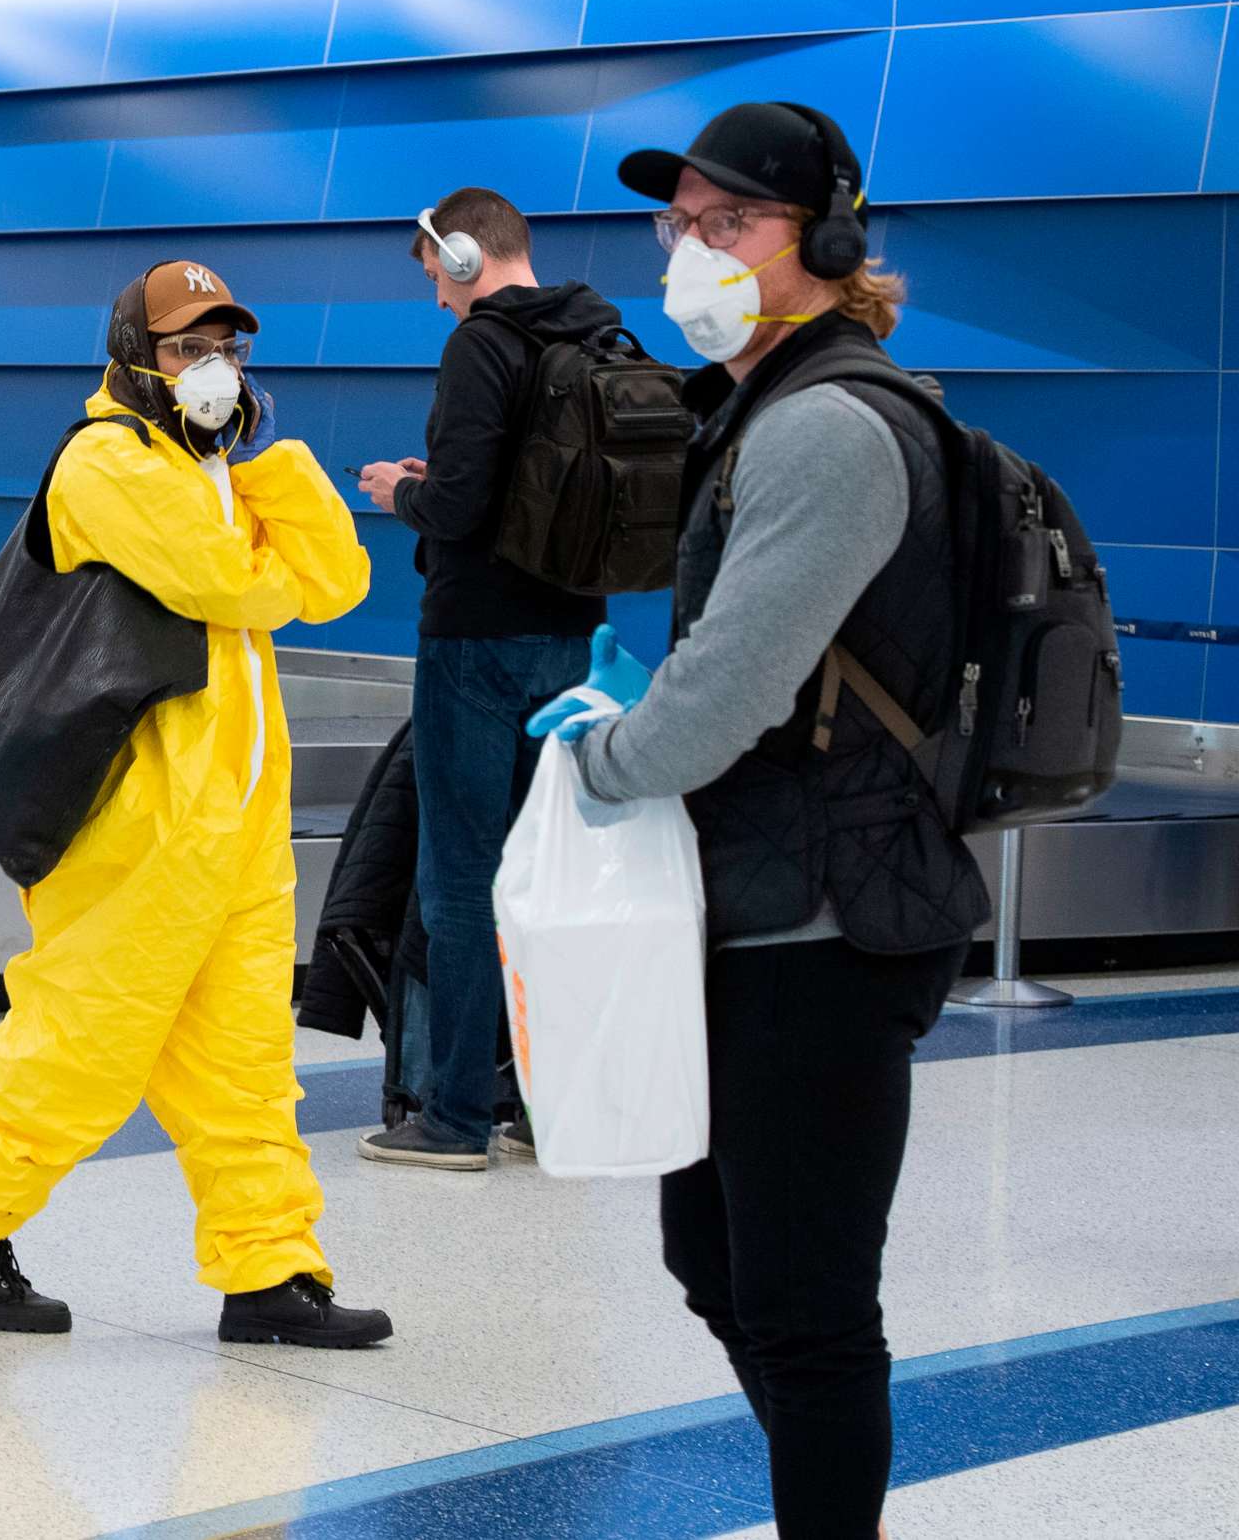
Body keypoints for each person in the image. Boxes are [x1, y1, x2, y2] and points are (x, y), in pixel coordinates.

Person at [530, 102, 987, 1540]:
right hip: (757, 902)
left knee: (803, 1303)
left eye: (730, 224)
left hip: (828, 920)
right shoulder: (765, 408)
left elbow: (733, 689)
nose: (692, 249)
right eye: (681, 225)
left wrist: (608, 758)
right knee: (718, 1265)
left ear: (827, 241)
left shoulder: (832, 427)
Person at [0, 259, 393, 1350]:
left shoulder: (209, 468)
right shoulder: (106, 463)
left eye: (230, 349)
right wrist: (260, 520)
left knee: (248, 1065)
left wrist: (269, 474)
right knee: (81, 1040)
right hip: (137, 825)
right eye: (187, 348)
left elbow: (338, 584)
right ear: (134, 357)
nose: (213, 369)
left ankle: (270, 1272)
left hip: (239, 824)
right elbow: (241, 585)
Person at [354, 188, 616, 1171]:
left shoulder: (481, 345)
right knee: (550, 869)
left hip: (476, 639)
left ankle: (456, 1115)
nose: (436, 299)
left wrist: (400, 490)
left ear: (461, 254)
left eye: (433, 274)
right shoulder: (598, 336)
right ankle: (541, 1103)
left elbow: (458, 509)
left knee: (464, 875)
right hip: (576, 635)